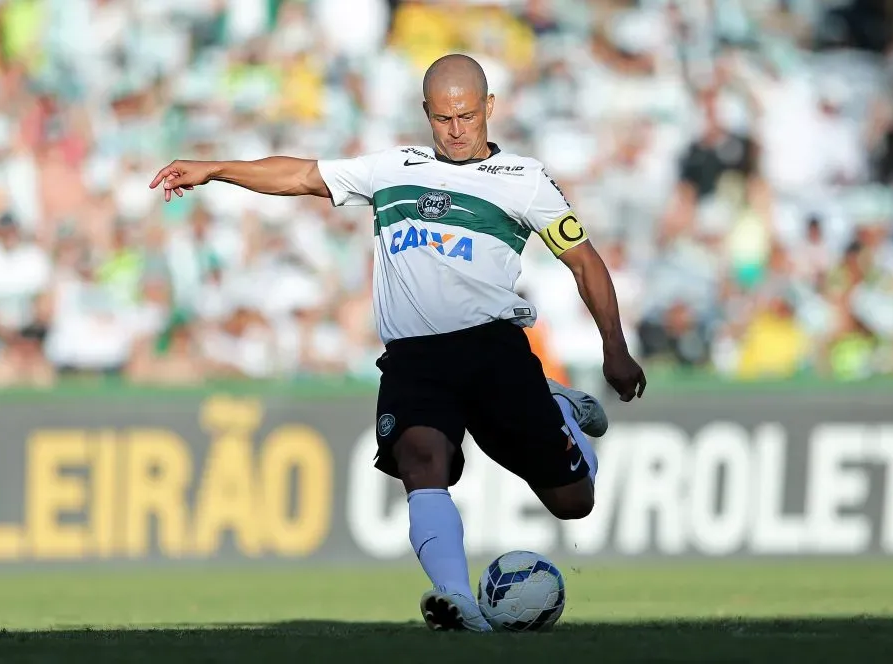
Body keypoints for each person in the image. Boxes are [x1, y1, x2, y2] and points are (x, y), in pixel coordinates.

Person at [149, 54, 646, 632]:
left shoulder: (525, 181)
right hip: (415, 359)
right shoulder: (392, 167)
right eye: (443, 118)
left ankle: (557, 405)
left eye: (466, 116)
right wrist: (213, 169)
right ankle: (458, 601)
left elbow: (583, 262)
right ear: (426, 115)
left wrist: (614, 346)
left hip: (493, 351)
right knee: (420, 458)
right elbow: (302, 175)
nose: (456, 130)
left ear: (489, 107)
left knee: (572, 502)